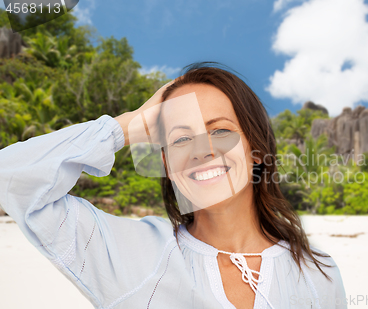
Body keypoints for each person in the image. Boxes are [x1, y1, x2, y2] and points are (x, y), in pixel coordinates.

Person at [0, 62, 347, 309]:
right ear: (166, 163)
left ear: (256, 150)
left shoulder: (319, 272)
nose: (202, 150)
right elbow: (10, 176)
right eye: (182, 139)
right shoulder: (130, 253)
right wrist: (127, 128)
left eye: (220, 131)